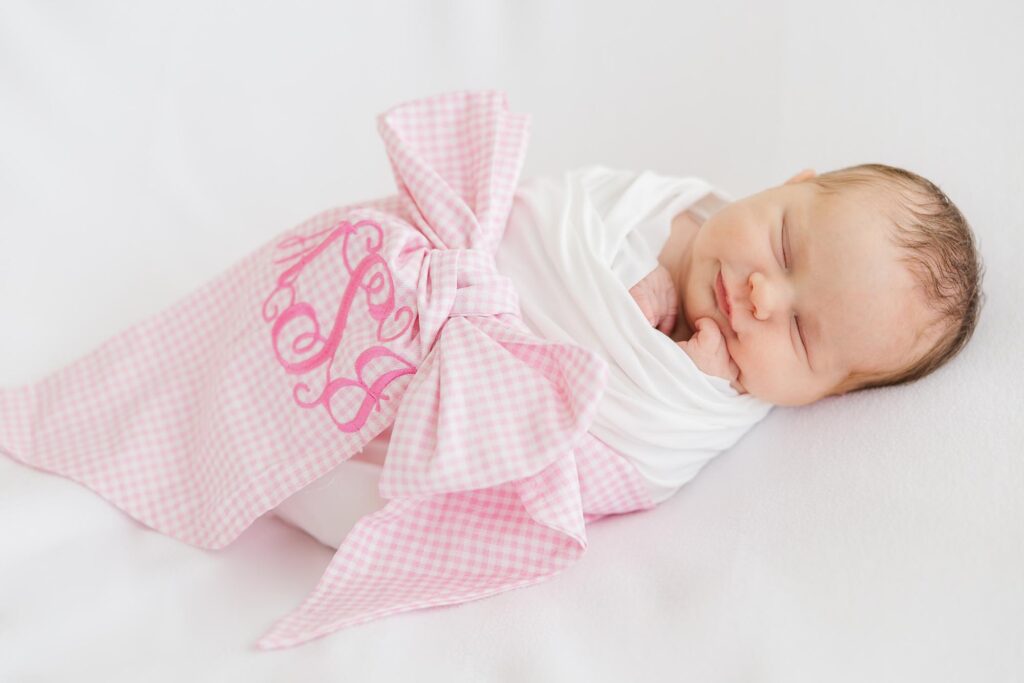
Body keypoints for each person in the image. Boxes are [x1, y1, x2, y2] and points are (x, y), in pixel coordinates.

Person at [628, 163, 985, 407]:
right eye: (783, 249)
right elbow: (578, 212)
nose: (762, 296)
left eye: (800, 332)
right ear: (788, 186)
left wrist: (689, 388)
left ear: (825, 394)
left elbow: (647, 463)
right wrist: (627, 265)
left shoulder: (714, 412)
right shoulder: (647, 210)